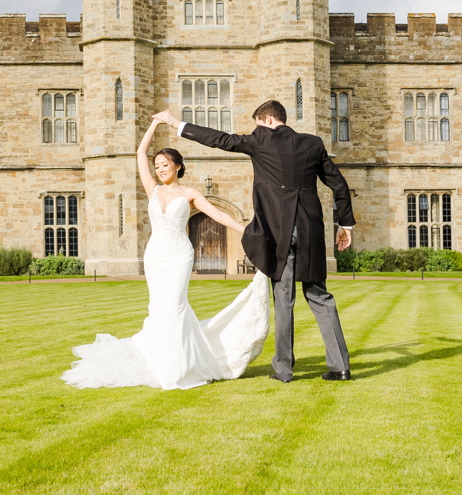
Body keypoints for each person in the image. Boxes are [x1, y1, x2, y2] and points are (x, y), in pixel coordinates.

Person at [61, 116, 272, 390]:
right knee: (159, 309)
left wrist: (245, 231)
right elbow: (140, 153)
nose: (160, 169)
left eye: (165, 165)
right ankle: (161, 360)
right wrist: (156, 125)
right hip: (155, 256)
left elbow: (219, 214)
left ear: (178, 166)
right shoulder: (153, 189)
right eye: (157, 165)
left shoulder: (191, 193)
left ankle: (180, 366)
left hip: (179, 256)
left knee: (175, 306)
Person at [155, 100, 355, 382]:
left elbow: (219, 139)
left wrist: (177, 124)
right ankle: (340, 366)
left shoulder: (260, 140)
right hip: (310, 232)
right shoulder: (313, 144)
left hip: (279, 233)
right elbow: (339, 184)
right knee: (319, 296)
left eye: (258, 124)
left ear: (268, 121)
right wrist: (345, 224)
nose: (255, 130)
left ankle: (284, 370)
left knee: (284, 299)